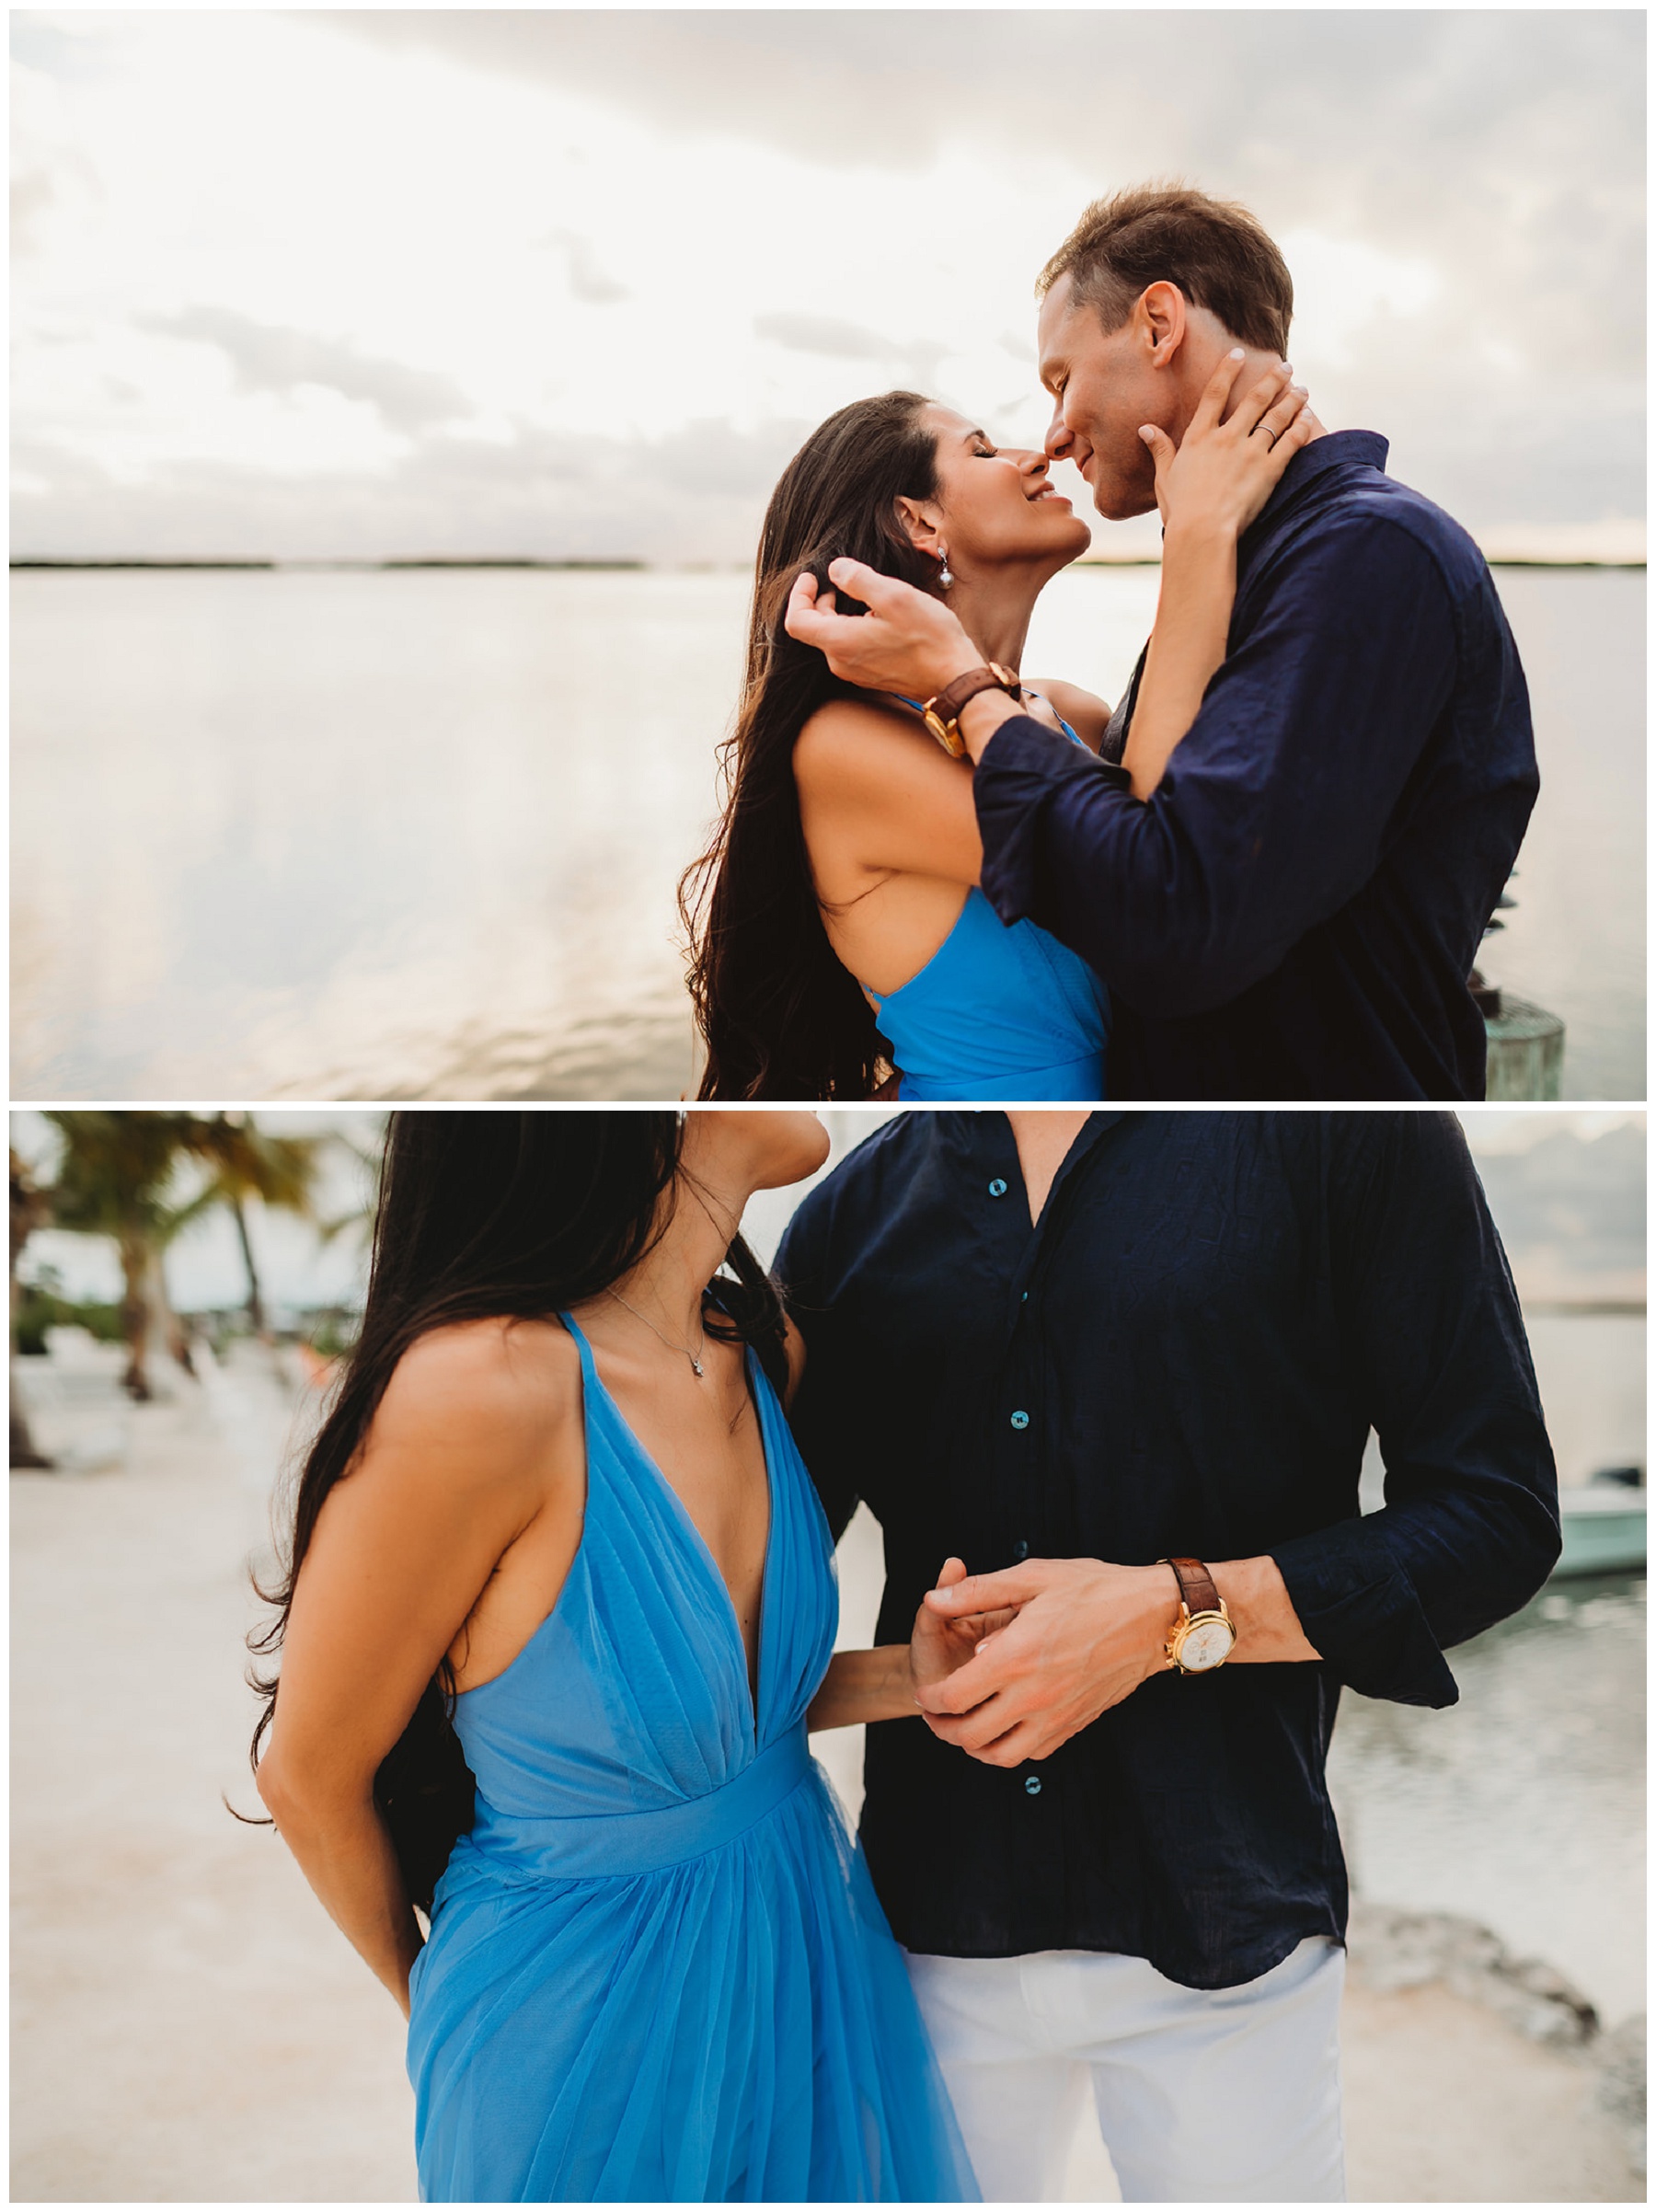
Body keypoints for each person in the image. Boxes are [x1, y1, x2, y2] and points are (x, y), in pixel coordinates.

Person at [776, 1108, 1561, 2202]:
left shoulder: (1353, 1134)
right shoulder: (849, 1215)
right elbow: (745, 1624)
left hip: (1230, 1924)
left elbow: (1495, 1516)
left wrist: (1172, 1616)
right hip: (924, 1935)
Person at [246, 1110, 983, 2203]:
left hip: (798, 1958)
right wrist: (438, 1996)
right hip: (575, 2019)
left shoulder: (762, 1350)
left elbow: (707, 1723)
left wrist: (909, 1679)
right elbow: (308, 1771)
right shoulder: (481, 1390)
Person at [786, 184, 1540, 1101]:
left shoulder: (1363, 554)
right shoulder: (1238, 570)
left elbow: (1166, 907)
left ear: (1158, 324)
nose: (1053, 436)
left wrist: (968, 688)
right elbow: (1146, 841)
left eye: (1061, 378)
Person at [682, 354, 1313, 1100]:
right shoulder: (844, 749)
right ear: (917, 519)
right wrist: (1199, 533)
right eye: (982, 450)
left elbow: (1202, 847)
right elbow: (1137, 870)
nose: (1037, 453)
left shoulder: (1070, 713)